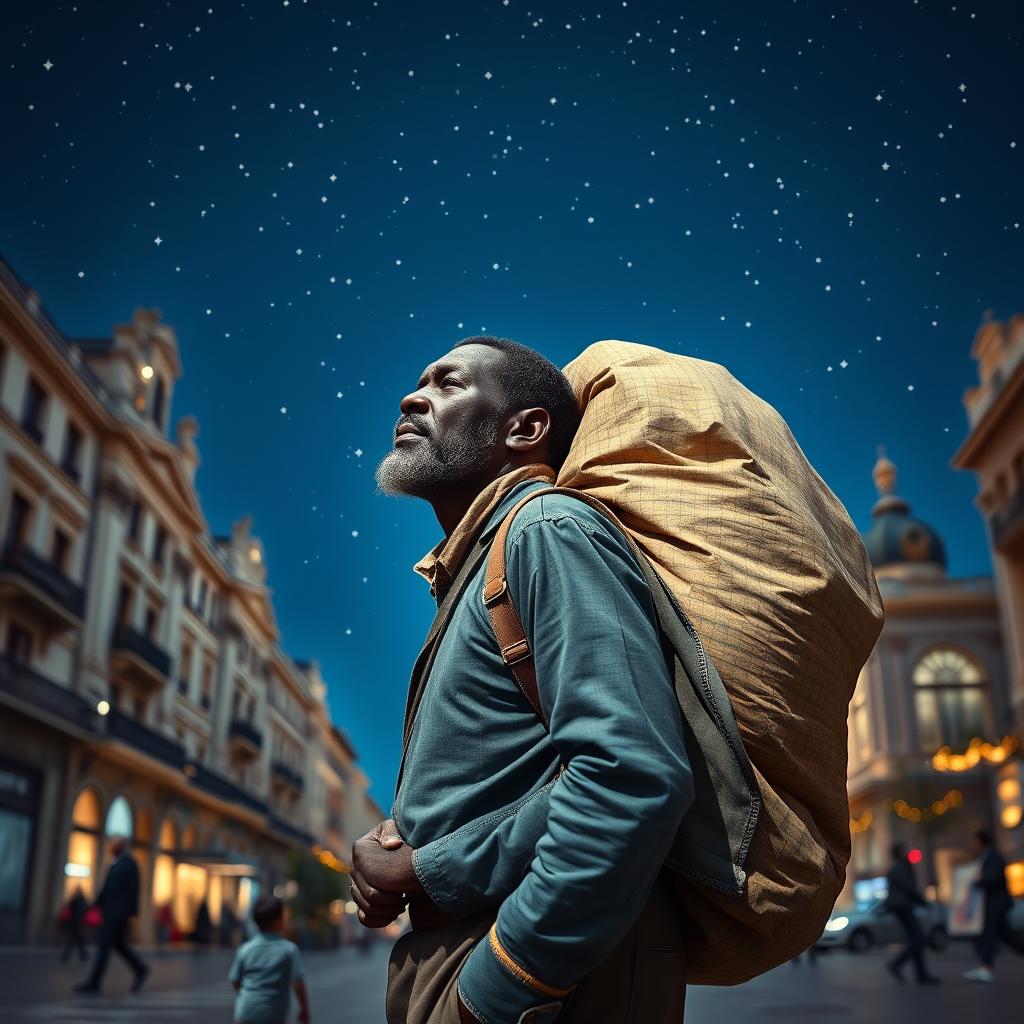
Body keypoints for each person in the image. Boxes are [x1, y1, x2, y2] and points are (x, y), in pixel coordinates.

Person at [353, 337, 693, 1023]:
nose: (412, 396)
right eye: (419, 380)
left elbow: (631, 772)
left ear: (524, 429)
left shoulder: (547, 530)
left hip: (524, 980)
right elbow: (521, 778)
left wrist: (503, 989)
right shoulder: (475, 567)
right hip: (461, 957)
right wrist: (406, 836)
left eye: (448, 384)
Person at [74, 835, 149, 994]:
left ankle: (94, 982)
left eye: (114, 845)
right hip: (110, 912)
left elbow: (134, 890)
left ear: (121, 847)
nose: (110, 848)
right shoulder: (115, 864)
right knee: (118, 945)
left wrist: (129, 913)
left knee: (104, 946)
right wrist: (94, 905)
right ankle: (140, 969)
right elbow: (106, 889)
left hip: (117, 914)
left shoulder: (129, 864)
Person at [228, 896, 309, 1024]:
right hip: (273, 1014)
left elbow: (235, 980)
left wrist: (248, 996)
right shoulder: (289, 950)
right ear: (278, 922)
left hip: (245, 1012)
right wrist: (304, 1009)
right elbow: (298, 983)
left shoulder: (245, 949)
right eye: (284, 916)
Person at [964, 829, 1024, 982]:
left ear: (981, 842)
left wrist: (977, 882)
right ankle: (985, 967)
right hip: (994, 902)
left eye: (974, 841)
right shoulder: (986, 857)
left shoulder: (993, 857)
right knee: (1006, 935)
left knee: (989, 934)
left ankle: (985, 968)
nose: (972, 845)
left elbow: (993, 878)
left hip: (997, 903)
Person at [883, 842, 940, 984]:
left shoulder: (894, 869)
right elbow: (909, 888)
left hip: (899, 907)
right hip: (903, 906)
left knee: (915, 938)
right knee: (918, 938)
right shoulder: (903, 867)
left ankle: (920, 974)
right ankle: (898, 964)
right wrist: (923, 902)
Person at [60, 886, 88, 963]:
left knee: (74, 941)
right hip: (76, 924)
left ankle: (66, 956)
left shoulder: (79, 900)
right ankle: (82, 955)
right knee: (75, 941)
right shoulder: (79, 900)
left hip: (77, 924)